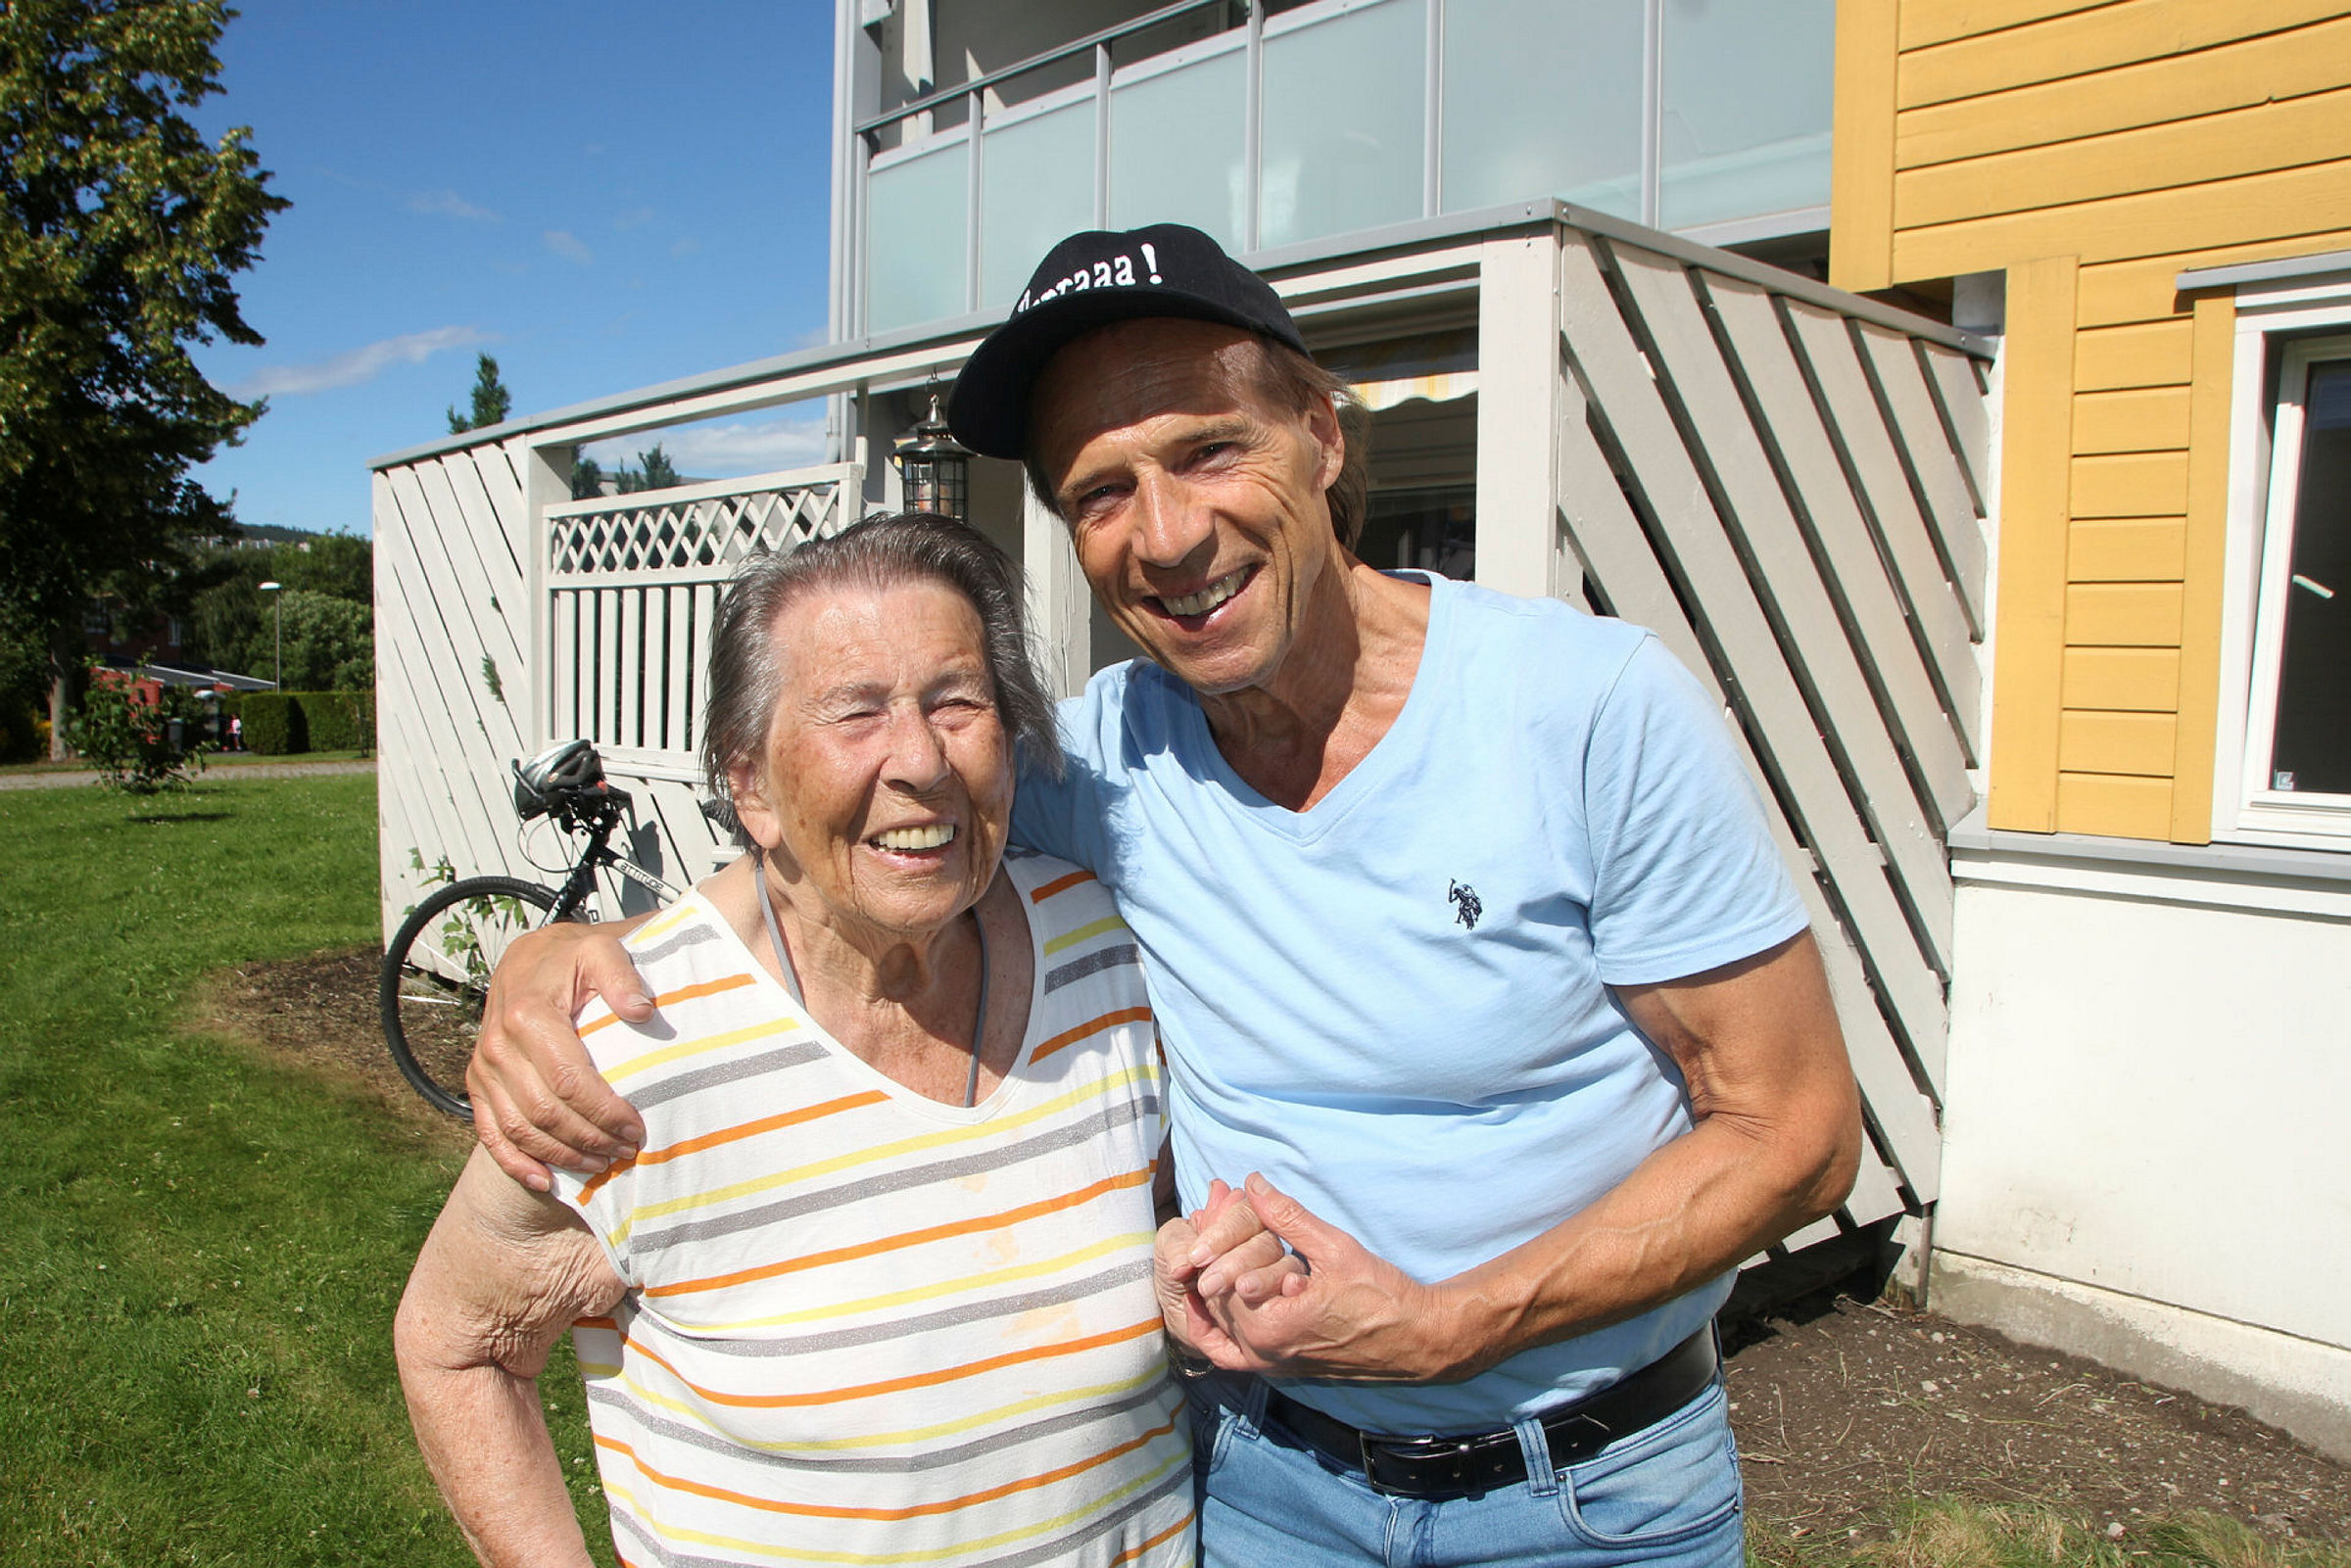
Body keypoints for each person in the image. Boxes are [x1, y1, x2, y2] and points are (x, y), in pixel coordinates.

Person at [466, 224, 1863, 1567]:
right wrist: (583, 952)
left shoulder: (1588, 711)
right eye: (1101, 491)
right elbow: (873, 827)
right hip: (1266, 1487)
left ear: (1321, 435)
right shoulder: (1098, 764)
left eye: (1209, 450)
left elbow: (1796, 1133)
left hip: (1584, 1497)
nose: (1169, 533)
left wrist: (1448, 1325)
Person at [394, 514, 1195, 1568]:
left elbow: (1148, 1213)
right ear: (752, 786)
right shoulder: (635, 1042)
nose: (922, 759)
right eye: (855, 712)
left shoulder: (1101, 947)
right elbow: (458, 1345)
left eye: (958, 701)